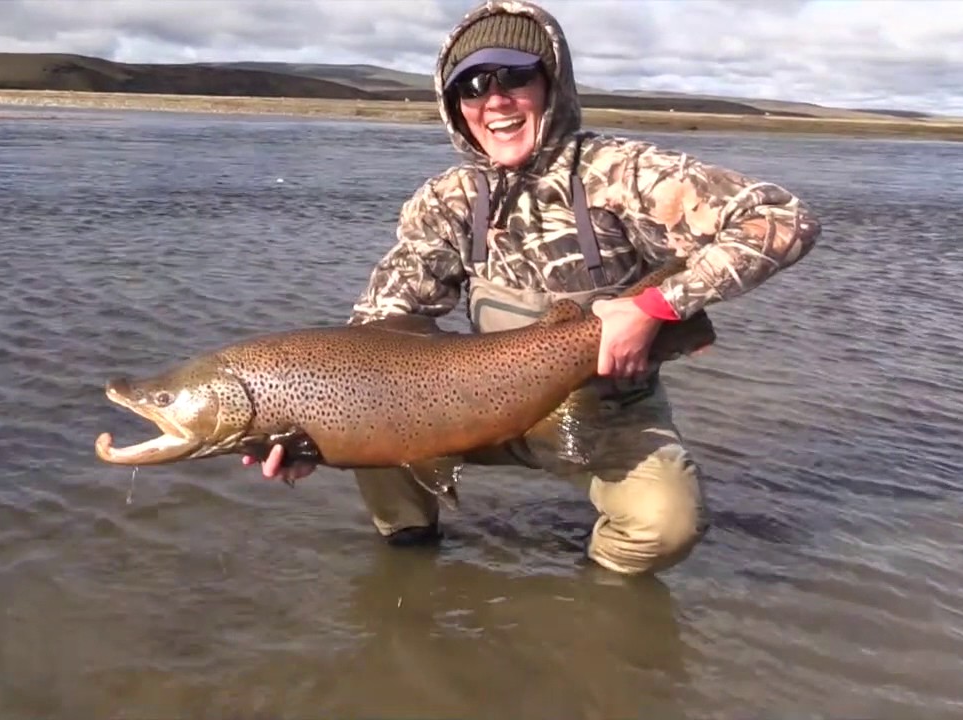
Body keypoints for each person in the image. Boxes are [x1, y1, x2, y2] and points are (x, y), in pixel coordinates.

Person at [243, 0, 820, 575]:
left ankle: (595, 594)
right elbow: (375, 332)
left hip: (605, 412)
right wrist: (312, 435)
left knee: (666, 526)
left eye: (513, 76)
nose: (493, 99)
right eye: (471, 86)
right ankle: (411, 565)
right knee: (375, 419)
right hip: (471, 406)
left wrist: (657, 305)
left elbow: (781, 219)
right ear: (455, 106)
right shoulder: (448, 200)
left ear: (553, 83)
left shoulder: (621, 172)